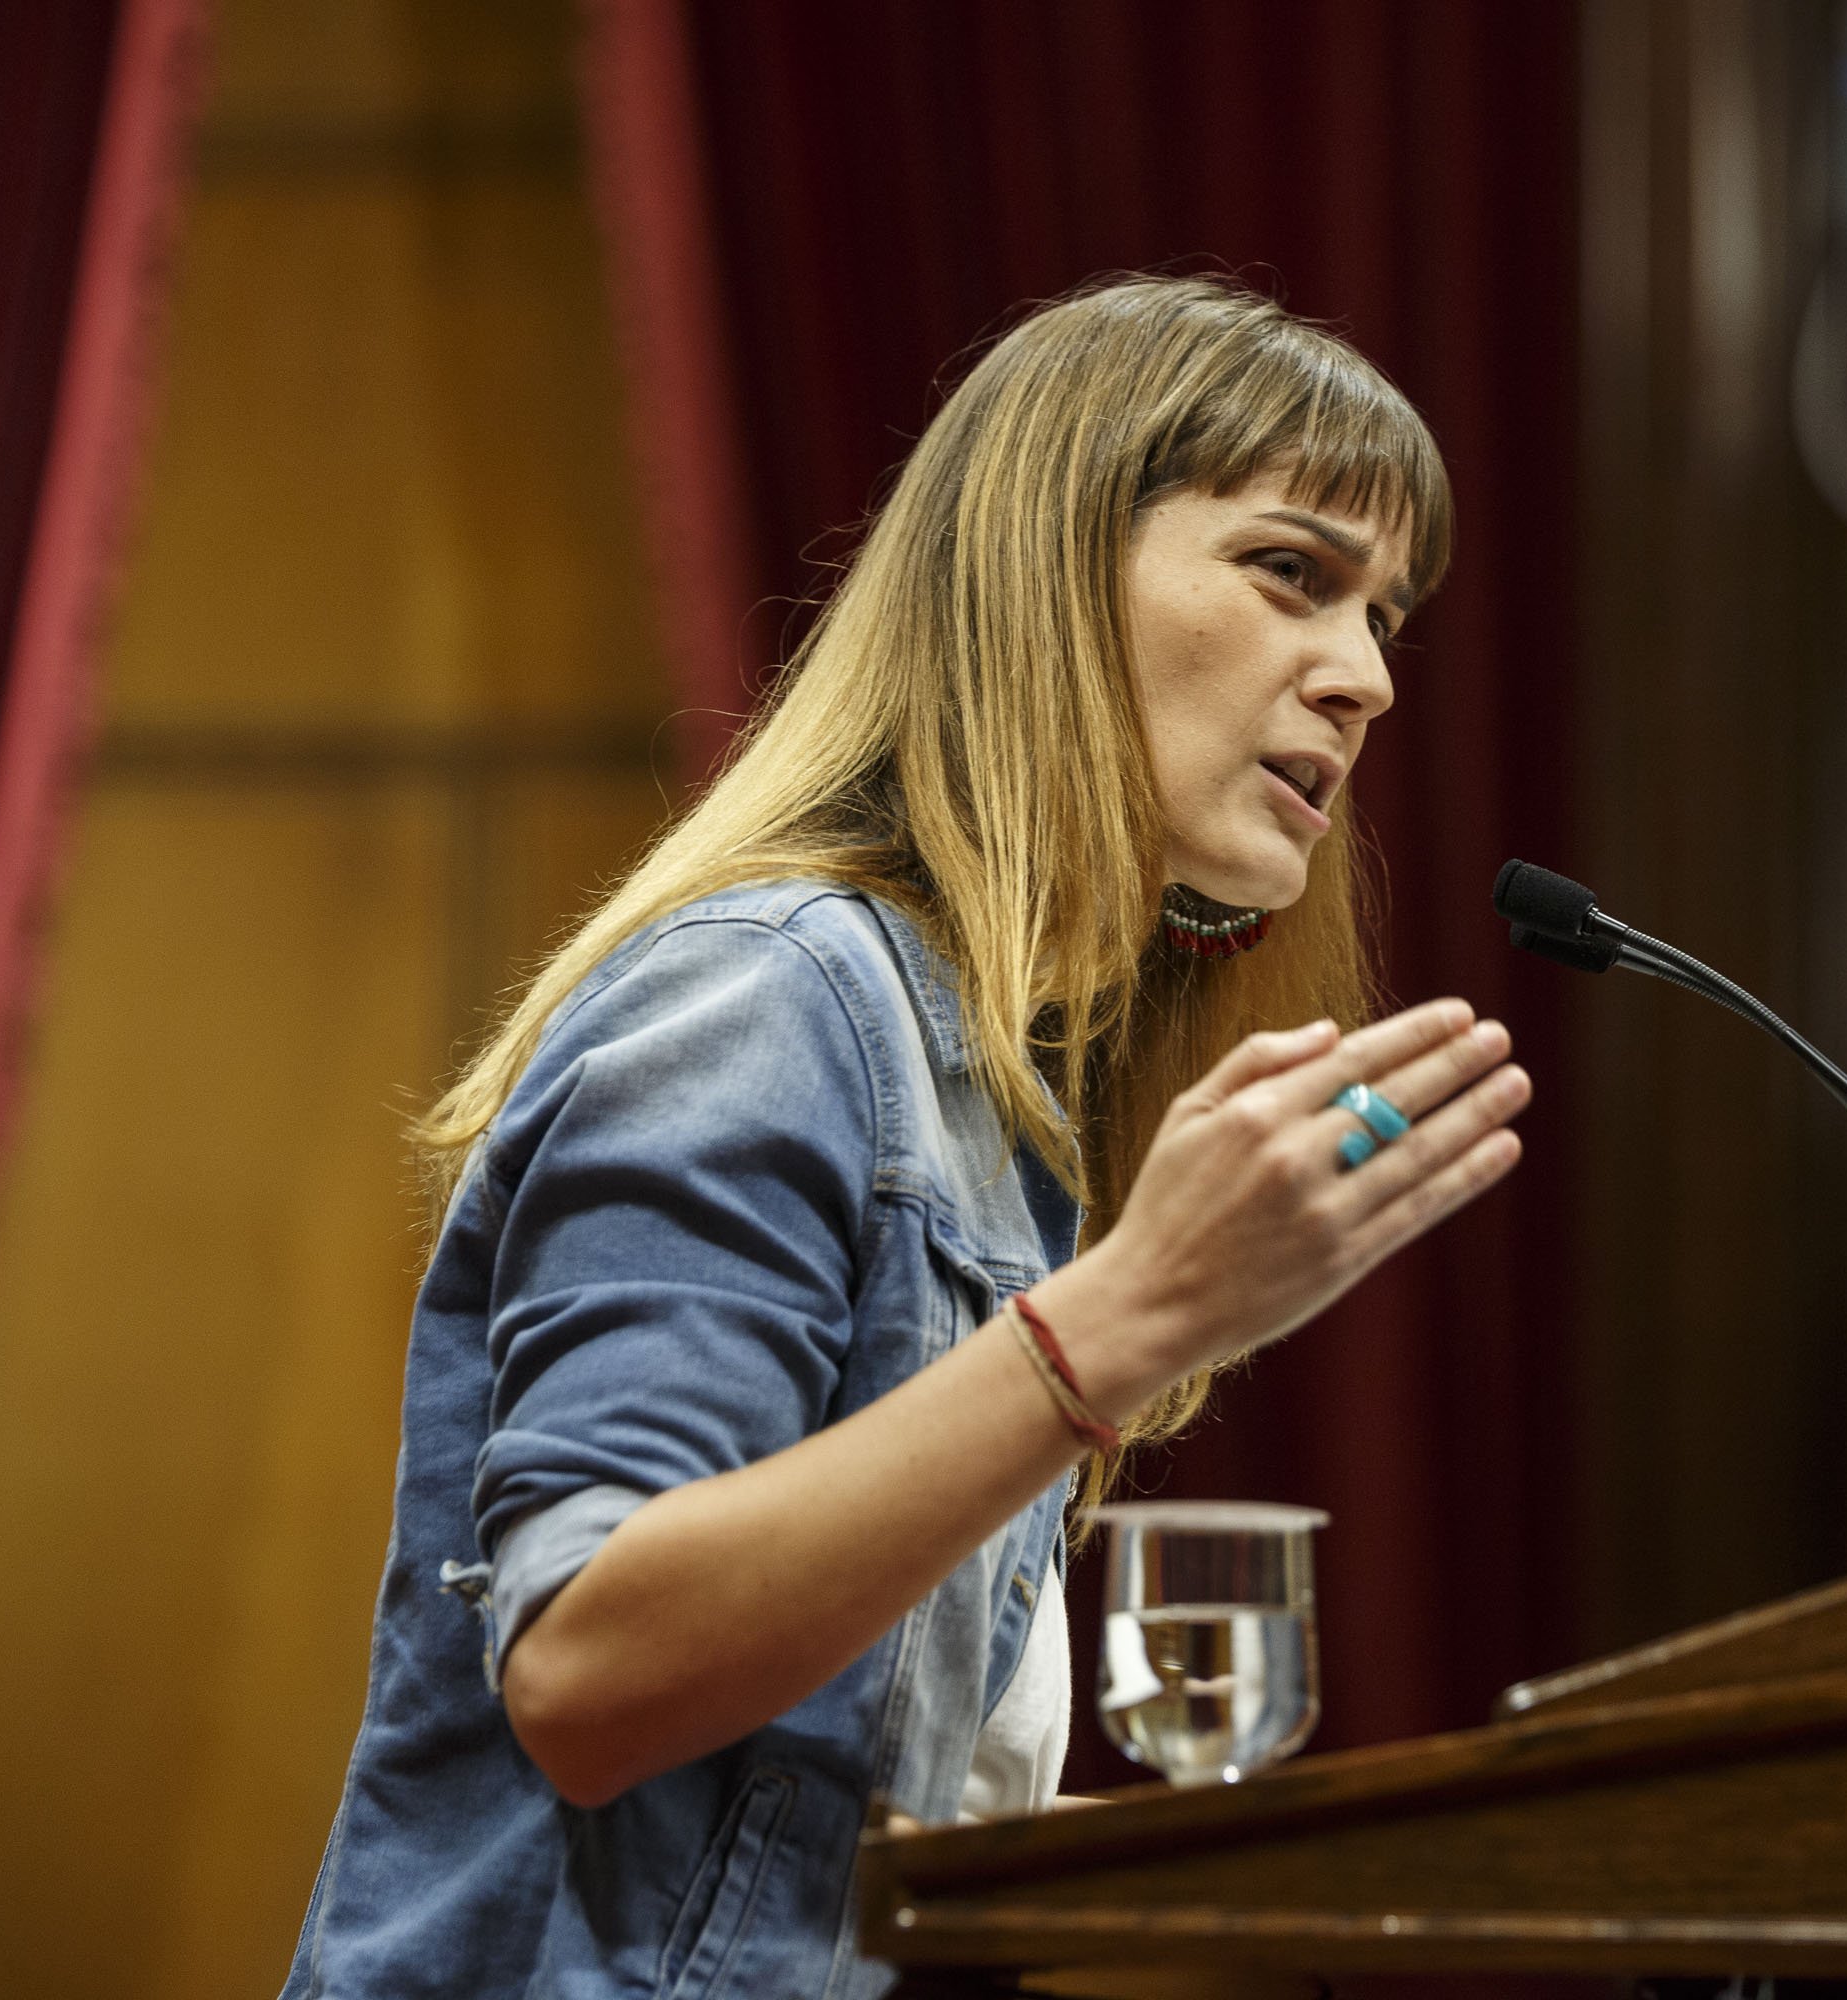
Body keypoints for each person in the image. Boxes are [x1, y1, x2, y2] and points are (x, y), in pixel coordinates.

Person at [281, 276, 1531, 1999]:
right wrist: (1130, 1321)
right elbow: (584, 1669)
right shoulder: (773, 999)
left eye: (1386, 613)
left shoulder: (998, 1098)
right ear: (1052, 572)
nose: (1368, 678)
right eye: (1292, 574)